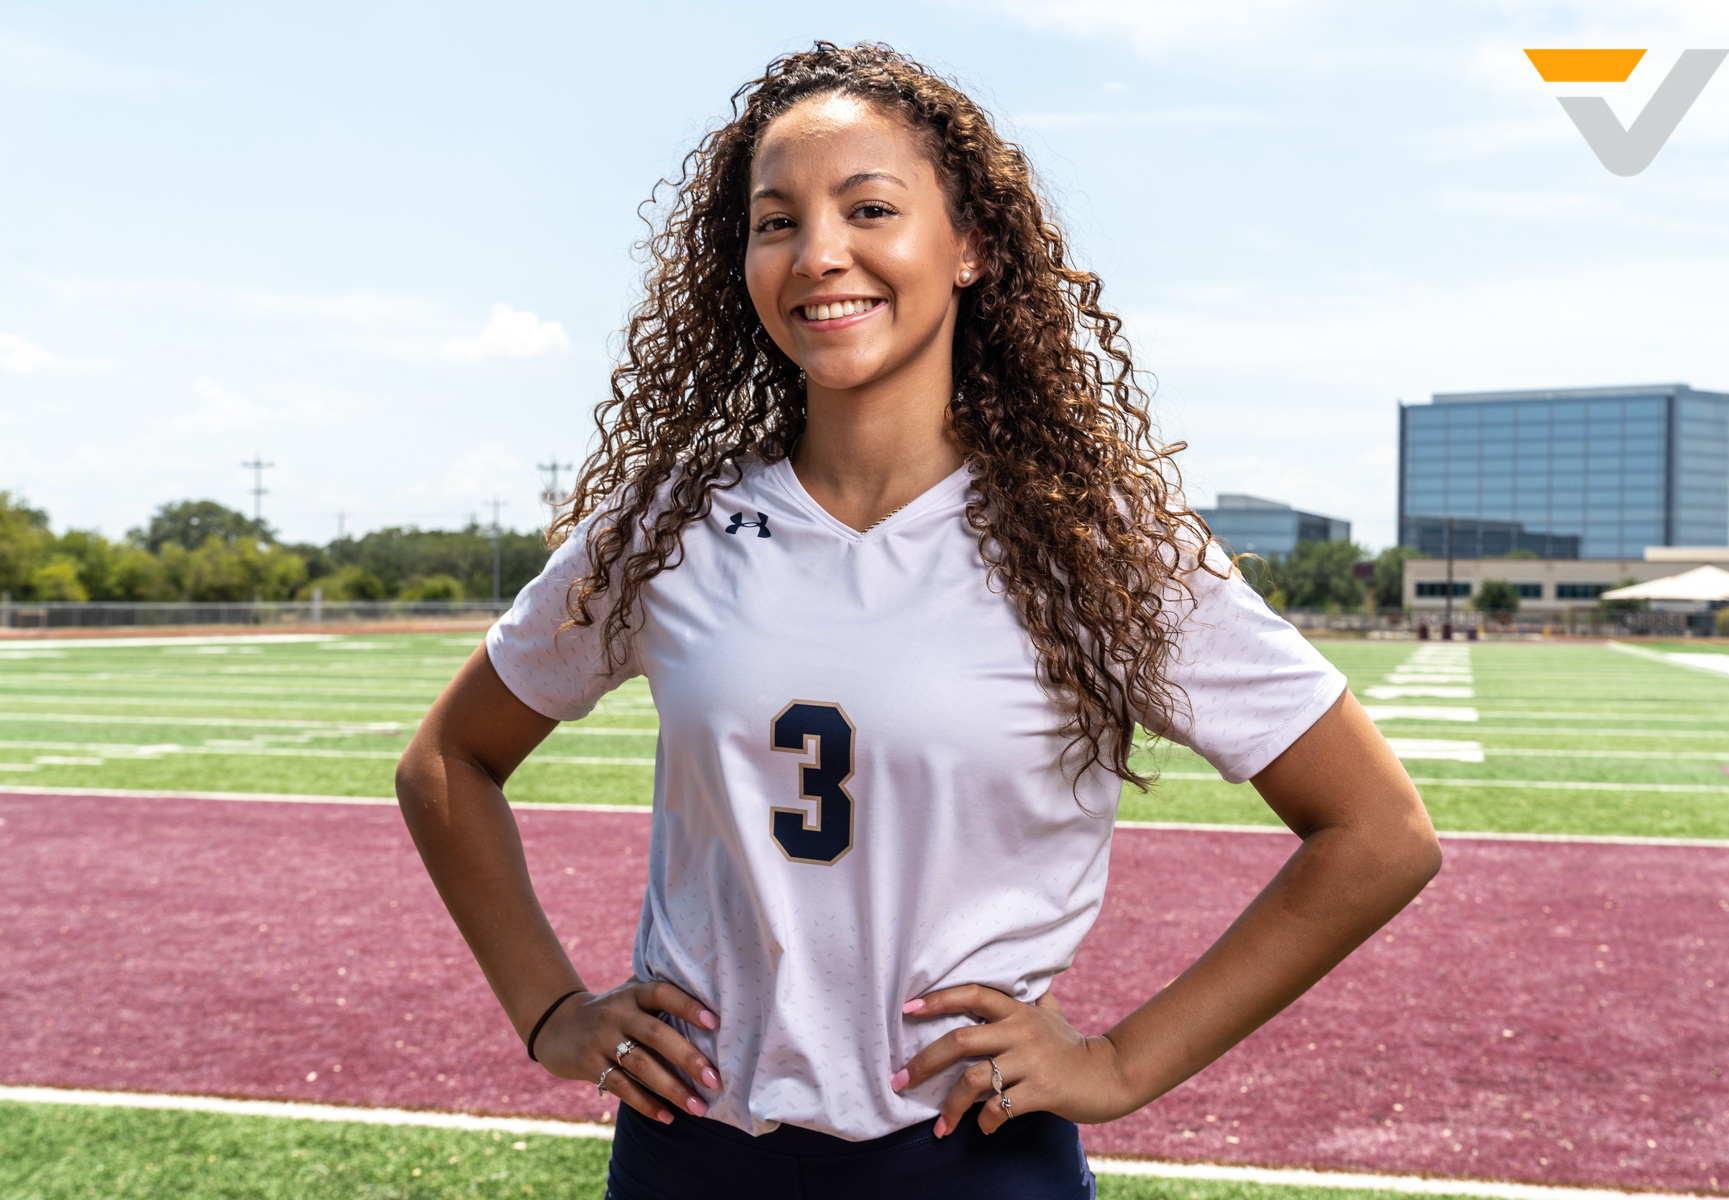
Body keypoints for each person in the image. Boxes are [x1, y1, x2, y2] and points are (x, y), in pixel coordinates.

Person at [396, 41, 1440, 1200]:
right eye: (776, 219)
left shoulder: (1097, 545)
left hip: (969, 1161)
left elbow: (1378, 832)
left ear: (973, 246)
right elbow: (450, 759)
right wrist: (548, 1009)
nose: (820, 254)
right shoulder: (670, 526)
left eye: (871, 208)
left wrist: (1120, 1062)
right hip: (693, 1155)